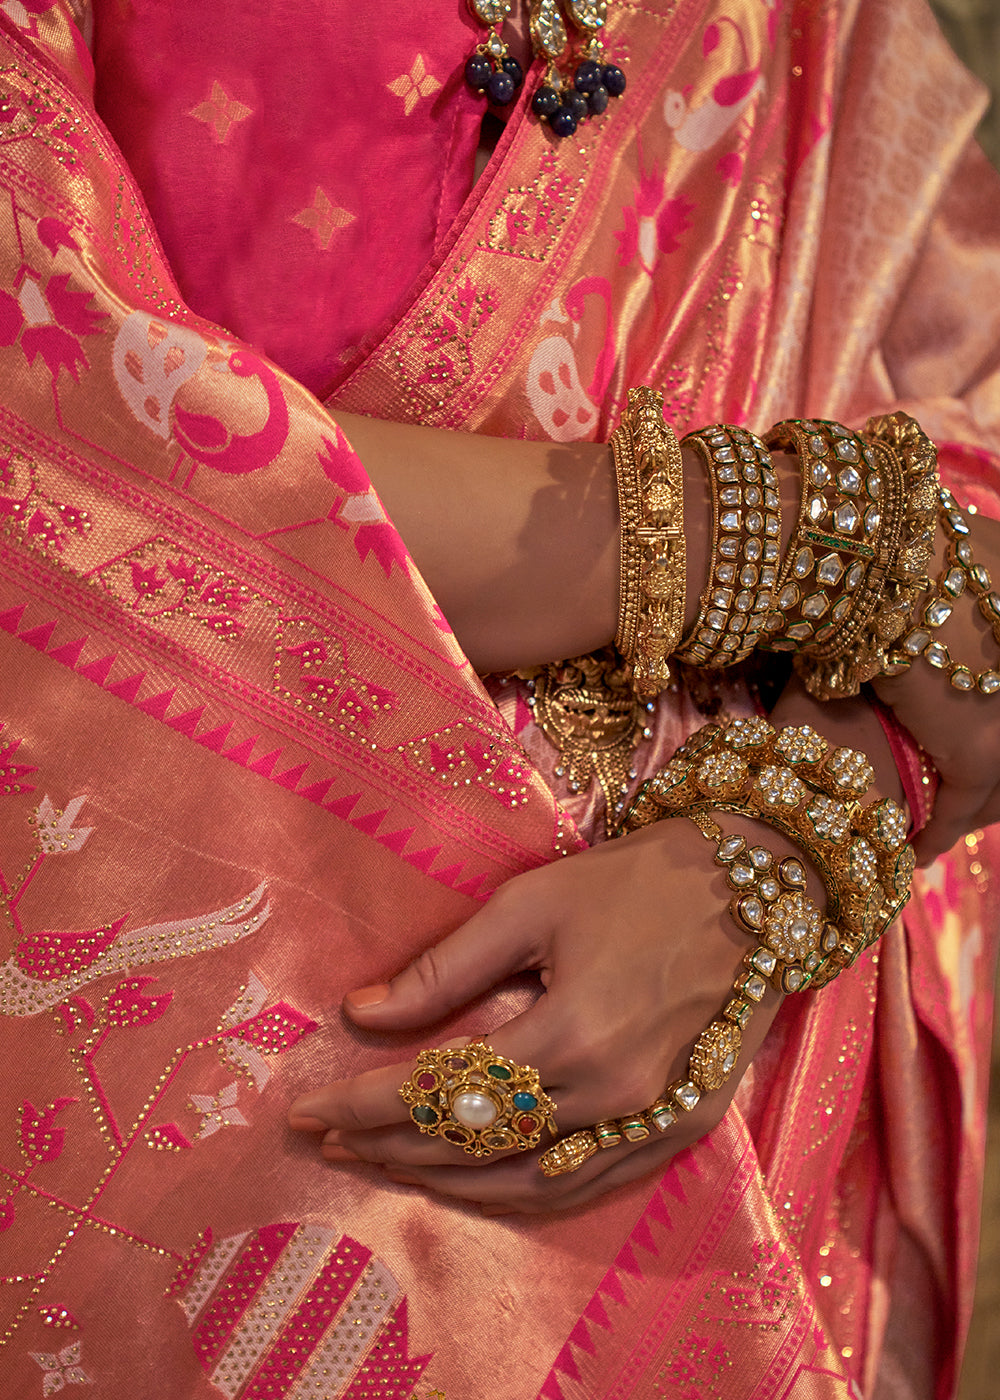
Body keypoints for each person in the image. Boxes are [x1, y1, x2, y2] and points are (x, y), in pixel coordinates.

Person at [0, 1, 998, 1397]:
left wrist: (768, 853)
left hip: (728, 1065)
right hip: (217, 982)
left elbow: (958, 424)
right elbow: (43, 412)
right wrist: (772, 531)